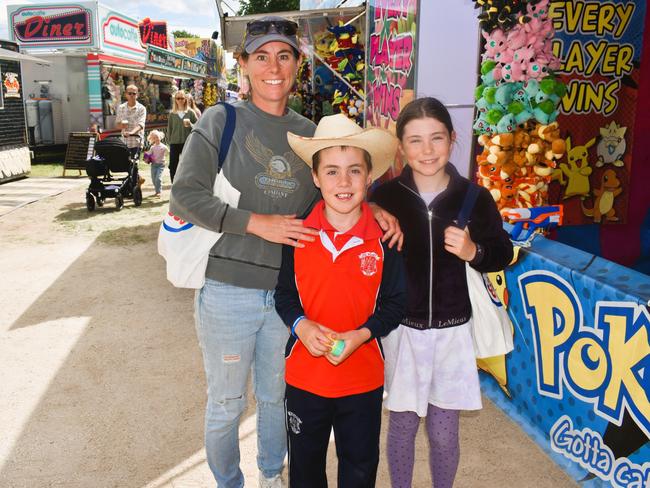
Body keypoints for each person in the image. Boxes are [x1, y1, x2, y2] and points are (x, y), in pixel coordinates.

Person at [169, 16, 401, 488]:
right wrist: (255, 223)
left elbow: (333, 190)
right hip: (227, 289)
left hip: (285, 296)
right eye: (261, 56)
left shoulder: (307, 134)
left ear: (297, 65)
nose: (273, 67)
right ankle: (229, 483)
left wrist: (372, 208)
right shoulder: (222, 119)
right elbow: (184, 196)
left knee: (276, 399)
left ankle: (272, 477)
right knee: (227, 403)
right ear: (244, 65)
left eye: (284, 56)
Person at [370, 97, 514, 488]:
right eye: (415, 140)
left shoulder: (475, 197)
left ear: (452, 139)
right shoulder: (383, 200)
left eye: (436, 138)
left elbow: (501, 251)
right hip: (402, 329)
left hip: (453, 332)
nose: (427, 150)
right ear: (400, 146)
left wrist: (474, 251)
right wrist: (372, 212)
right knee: (401, 425)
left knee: (444, 432)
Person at [275, 114, 407, 488]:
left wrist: (363, 334)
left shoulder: (386, 239)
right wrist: (301, 326)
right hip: (304, 377)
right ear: (316, 178)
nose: (344, 182)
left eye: (354, 171)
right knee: (305, 470)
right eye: (331, 171)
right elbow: (284, 294)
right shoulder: (298, 234)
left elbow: (396, 304)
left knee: (360, 468)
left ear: (369, 177)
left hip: (362, 379)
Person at [167, 89, 198, 182]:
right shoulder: (172, 114)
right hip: (174, 142)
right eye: (178, 98)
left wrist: (191, 125)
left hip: (187, 142)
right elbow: (170, 129)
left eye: (182, 98)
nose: (180, 100)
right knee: (173, 165)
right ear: (175, 100)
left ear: (185, 99)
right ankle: (174, 183)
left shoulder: (190, 112)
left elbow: (198, 127)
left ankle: (188, 182)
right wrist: (170, 142)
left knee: (188, 164)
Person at [115, 84, 146, 159]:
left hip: (136, 141)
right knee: (125, 165)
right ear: (126, 94)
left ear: (137, 95)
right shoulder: (121, 107)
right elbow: (117, 125)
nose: (132, 95)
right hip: (124, 142)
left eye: (134, 93)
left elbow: (141, 125)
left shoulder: (141, 108)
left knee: (134, 167)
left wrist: (131, 133)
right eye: (129, 93)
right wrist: (121, 125)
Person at [144, 130, 168, 197]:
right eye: (154, 138)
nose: (156, 139)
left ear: (160, 137)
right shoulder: (152, 147)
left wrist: (164, 158)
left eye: (157, 137)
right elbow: (148, 155)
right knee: (154, 179)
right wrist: (146, 158)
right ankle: (157, 190)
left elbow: (167, 152)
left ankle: (158, 192)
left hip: (161, 165)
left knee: (158, 178)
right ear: (152, 139)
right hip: (154, 165)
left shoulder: (164, 147)